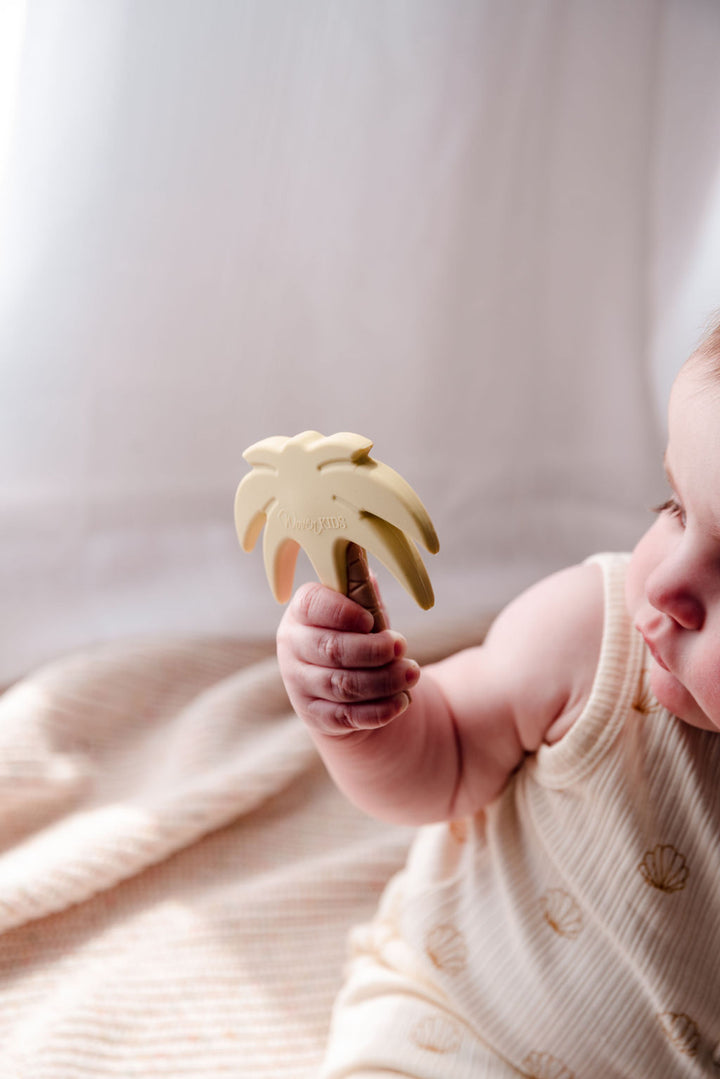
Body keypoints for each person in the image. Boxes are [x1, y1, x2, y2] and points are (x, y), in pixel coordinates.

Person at [276, 324, 720, 1077]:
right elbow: (441, 753)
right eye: (675, 507)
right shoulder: (589, 634)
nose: (666, 585)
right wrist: (361, 721)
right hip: (458, 1033)